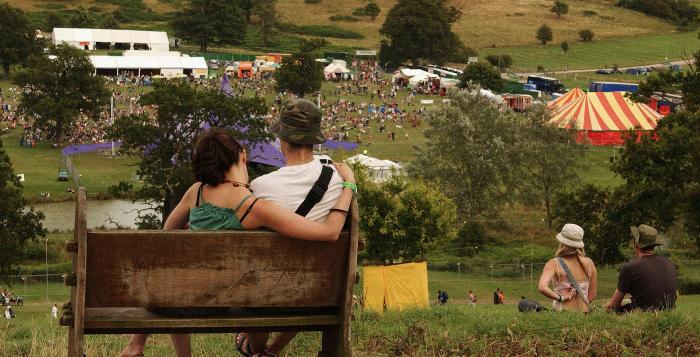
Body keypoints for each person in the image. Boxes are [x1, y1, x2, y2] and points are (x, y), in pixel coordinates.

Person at [118, 127, 357, 357]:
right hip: (219, 302)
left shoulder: (195, 192)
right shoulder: (255, 207)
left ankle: (138, 344)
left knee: (176, 280)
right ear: (242, 155)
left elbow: (166, 236)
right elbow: (329, 232)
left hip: (172, 299)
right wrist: (348, 183)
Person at [238, 99, 347, 357]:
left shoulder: (262, 186)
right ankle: (272, 351)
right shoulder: (338, 179)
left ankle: (256, 350)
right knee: (304, 275)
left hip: (265, 295)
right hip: (319, 293)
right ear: (314, 140)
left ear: (282, 140)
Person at [606, 225, 678, 313]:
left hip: (641, 316)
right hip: (668, 315)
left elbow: (614, 306)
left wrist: (609, 306)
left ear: (636, 245)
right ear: (654, 245)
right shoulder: (671, 264)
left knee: (609, 308)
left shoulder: (630, 268)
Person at [538, 223, 597, 312]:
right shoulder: (589, 263)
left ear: (562, 242)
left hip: (562, 311)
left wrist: (561, 298)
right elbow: (592, 295)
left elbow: (542, 287)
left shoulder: (554, 263)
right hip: (584, 312)